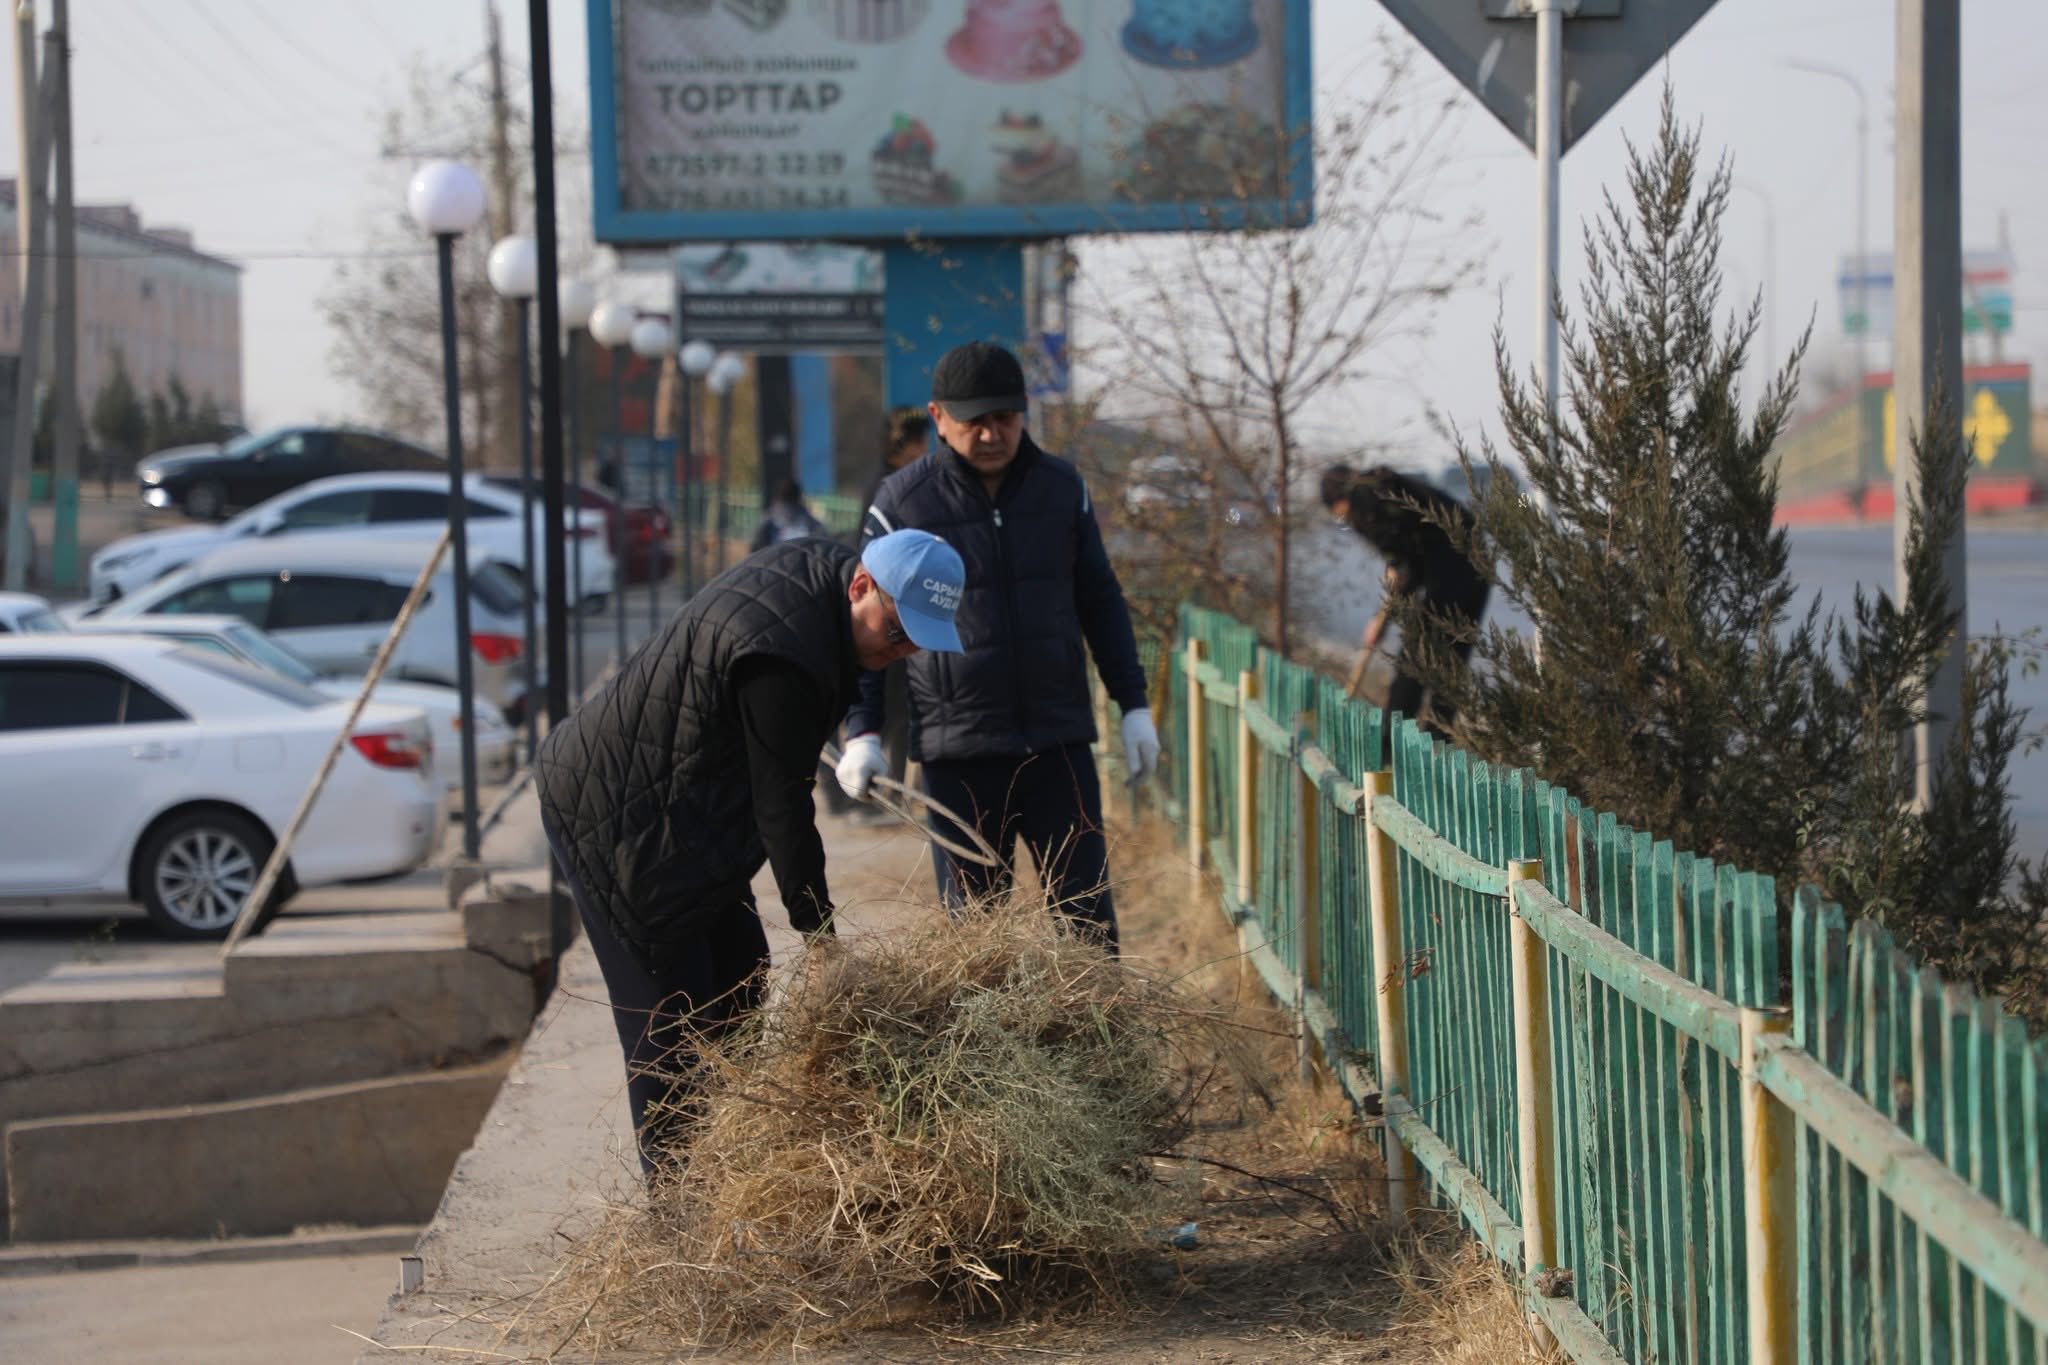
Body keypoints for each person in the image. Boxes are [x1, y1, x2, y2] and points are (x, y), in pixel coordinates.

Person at [536, 529, 966, 1173]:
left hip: (685, 806)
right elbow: (783, 808)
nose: (900, 653)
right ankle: (679, 1220)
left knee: (740, 972)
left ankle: (728, 1156)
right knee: (670, 1022)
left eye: (915, 644)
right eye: (898, 633)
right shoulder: (783, 658)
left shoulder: (826, 580)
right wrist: (820, 937)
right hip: (617, 817)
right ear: (860, 587)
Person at [836, 341, 1158, 951]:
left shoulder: (1064, 490)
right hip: (959, 756)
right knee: (977, 946)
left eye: (1004, 418)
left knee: (1088, 929)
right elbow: (866, 620)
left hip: (1058, 745)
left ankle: (1099, 1047)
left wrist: (1133, 705)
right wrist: (864, 731)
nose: (991, 434)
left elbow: (1102, 601)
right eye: (973, 421)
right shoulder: (901, 504)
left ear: (1023, 415)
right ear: (938, 419)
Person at [1318, 463, 1490, 740]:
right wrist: (1387, 611)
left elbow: (1404, 569)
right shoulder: (1381, 488)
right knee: (1450, 667)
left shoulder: (1368, 503)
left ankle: (1391, 746)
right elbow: (1409, 563)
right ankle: (1436, 746)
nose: (1346, 522)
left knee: (1415, 661)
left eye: (1341, 516)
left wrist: (1381, 618)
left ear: (1341, 502)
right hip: (1476, 566)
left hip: (1451, 569)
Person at [750, 475, 827, 551]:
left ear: (776, 499)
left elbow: (755, 551)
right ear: (799, 499)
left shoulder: (767, 522)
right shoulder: (811, 523)